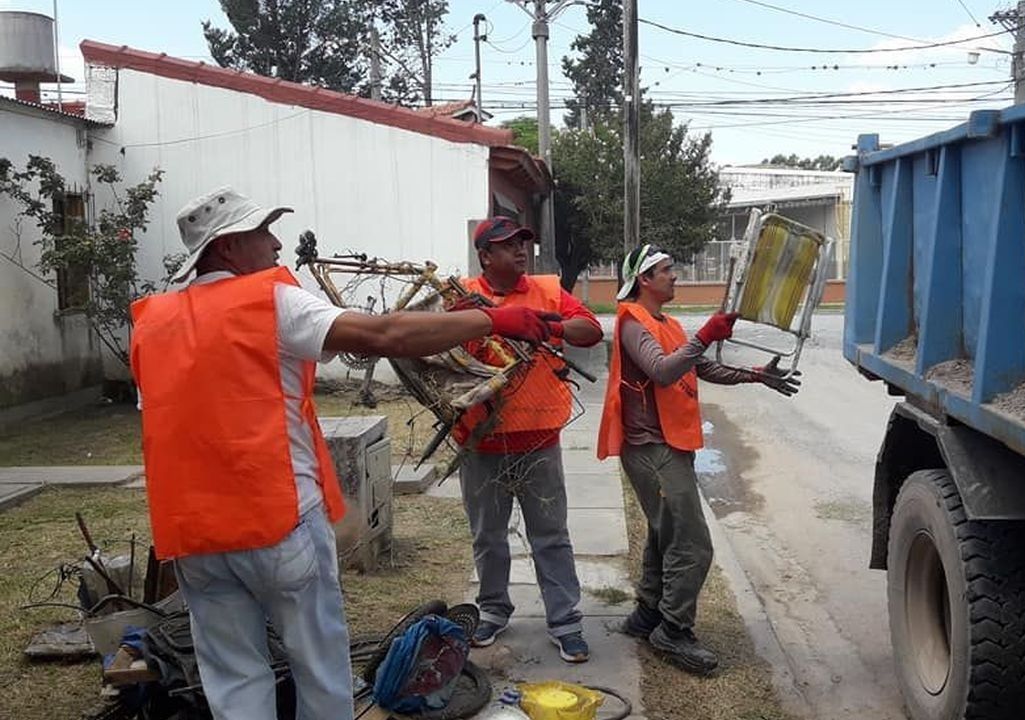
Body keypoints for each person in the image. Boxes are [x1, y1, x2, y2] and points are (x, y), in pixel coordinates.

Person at [129, 188, 558, 719]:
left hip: (194, 536)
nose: (277, 244)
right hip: (275, 521)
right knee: (320, 666)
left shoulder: (152, 324)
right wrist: (493, 321)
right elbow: (384, 334)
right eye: (263, 232)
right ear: (229, 246)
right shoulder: (269, 300)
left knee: (233, 676)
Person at [596, 243, 800, 676]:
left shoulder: (665, 323)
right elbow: (663, 371)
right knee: (691, 543)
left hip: (669, 445)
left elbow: (697, 367)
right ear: (644, 279)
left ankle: (649, 614)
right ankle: (673, 629)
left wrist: (755, 375)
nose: (675, 276)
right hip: (651, 448)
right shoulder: (632, 322)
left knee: (665, 533)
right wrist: (705, 335)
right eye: (666, 270)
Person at [454, 216, 604, 663]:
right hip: (481, 440)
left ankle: (565, 620)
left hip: (539, 438)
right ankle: (493, 609)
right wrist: (488, 323)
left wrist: (548, 325)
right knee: (488, 535)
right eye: (508, 245)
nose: (521, 250)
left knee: (551, 534)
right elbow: (440, 348)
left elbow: (591, 330)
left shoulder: (548, 290)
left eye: (523, 242)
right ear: (485, 256)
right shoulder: (461, 296)